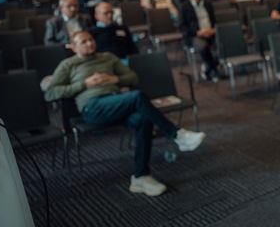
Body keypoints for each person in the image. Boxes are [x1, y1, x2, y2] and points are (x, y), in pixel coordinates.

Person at [44, 30, 205, 197]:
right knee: (137, 97)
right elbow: (50, 93)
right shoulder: (68, 64)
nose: (90, 44)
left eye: (91, 39)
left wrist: (115, 80)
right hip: (93, 108)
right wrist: (84, 84)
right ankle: (176, 135)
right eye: (83, 42)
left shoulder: (107, 57)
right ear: (74, 47)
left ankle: (140, 177)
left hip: (117, 102)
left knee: (143, 119)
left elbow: (132, 77)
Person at [179, 0, 219, 82]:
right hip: (195, 35)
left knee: (227, 42)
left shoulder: (208, 4)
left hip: (211, 32)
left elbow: (214, 20)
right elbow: (182, 27)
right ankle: (213, 69)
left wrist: (213, 29)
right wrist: (197, 32)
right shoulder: (184, 7)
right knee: (203, 46)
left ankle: (208, 67)